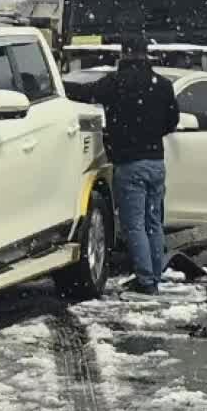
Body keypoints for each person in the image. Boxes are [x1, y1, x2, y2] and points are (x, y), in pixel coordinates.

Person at [65, 36, 181, 294]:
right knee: (153, 222)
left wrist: (56, 85)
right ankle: (155, 274)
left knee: (134, 224)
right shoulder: (162, 85)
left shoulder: (115, 84)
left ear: (123, 55)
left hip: (129, 164)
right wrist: (151, 133)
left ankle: (146, 280)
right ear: (146, 54)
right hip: (156, 162)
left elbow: (85, 93)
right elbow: (172, 121)